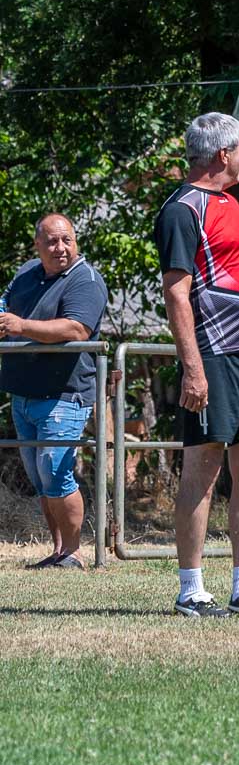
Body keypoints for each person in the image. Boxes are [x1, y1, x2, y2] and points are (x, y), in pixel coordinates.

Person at [155, 112, 239, 618]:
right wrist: (193, 368)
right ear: (221, 154)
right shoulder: (182, 209)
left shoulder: (230, 203)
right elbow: (176, 292)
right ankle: (191, 590)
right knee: (204, 468)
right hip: (217, 354)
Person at [0, 214, 108, 569]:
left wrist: (20, 326)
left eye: (67, 240)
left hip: (64, 394)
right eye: (51, 241)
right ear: (38, 245)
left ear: (76, 241)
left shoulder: (85, 280)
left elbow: (77, 329)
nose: (60, 248)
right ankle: (59, 551)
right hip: (22, 394)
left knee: (55, 471)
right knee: (41, 479)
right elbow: (5, 305)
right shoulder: (26, 273)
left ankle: (74, 553)